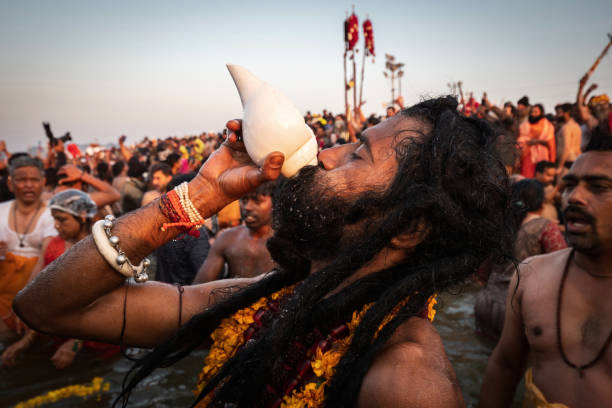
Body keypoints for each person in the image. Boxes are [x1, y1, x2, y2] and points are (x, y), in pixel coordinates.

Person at [15, 97, 512, 407]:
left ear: (408, 227)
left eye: (357, 154)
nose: (326, 154)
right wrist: (197, 197)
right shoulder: (263, 302)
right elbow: (45, 307)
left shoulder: (407, 383)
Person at [479, 127, 612, 408]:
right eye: (570, 184)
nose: (574, 196)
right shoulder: (531, 274)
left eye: (598, 187)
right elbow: (504, 365)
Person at [2, 189, 119, 368]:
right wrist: (27, 339)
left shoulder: (100, 250)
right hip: (61, 332)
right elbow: (44, 294)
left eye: (62, 220)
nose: (56, 225)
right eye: (54, 219)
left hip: (96, 340)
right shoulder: (54, 245)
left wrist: (74, 344)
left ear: (82, 217)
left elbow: (107, 304)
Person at [474, 179, 566, 340]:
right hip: (519, 308)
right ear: (542, 204)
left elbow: (482, 273)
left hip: (486, 303)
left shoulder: (499, 225)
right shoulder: (545, 228)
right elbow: (565, 269)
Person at [0, 156, 56, 334]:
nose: (29, 185)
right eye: (22, 180)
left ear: (43, 182)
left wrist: (23, 304)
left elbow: (44, 258)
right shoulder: (1, 211)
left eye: (34, 180)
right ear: (10, 183)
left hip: (37, 292)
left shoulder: (52, 214)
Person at [193, 180, 278, 283]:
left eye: (257, 201)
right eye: (244, 200)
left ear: (274, 203)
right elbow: (200, 286)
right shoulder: (227, 239)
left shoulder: (286, 242)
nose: (247, 207)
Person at [154, 173, 210, 285]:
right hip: (185, 296)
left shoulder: (161, 225)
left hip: (162, 292)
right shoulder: (194, 232)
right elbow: (204, 276)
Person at [518, 104, 556, 178]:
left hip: (542, 157)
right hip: (527, 155)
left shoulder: (548, 126)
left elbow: (551, 143)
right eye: (532, 112)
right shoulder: (524, 125)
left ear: (541, 113)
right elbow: (520, 140)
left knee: (541, 178)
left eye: (536, 112)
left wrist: (538, 141)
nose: (533, 114)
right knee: (526, 178)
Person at [555, 103, 582, 174]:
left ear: (566, 113)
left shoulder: (566, 127)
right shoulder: (576, 126)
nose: (557, 115)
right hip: (576, 159)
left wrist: (560, 166)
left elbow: (566, 147)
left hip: (567, 161)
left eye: (560, 113)